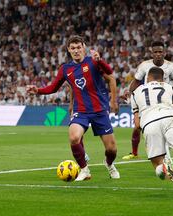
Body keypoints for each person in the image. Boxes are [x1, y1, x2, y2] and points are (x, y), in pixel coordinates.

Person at [26, 35, 120, 181]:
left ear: (84, 47)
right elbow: (53, 87)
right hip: (80, 111)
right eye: (73, 48)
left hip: (99, 110)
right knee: (74, 137)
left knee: (111, 149)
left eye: (78, 47)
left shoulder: (93, 61)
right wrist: (38, 90)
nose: (76, 50)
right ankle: (84, 170)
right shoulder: (66, 69)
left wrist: (100, 60)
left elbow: (110, 74)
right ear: (69, 50)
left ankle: (109, 164)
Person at [123, 41, 173, 168]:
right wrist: (129, 93)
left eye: (160, 52)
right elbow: (136, 81)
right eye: (155, 52)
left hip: (167, 99)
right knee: (137, 127)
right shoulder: (145, 66)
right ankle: (134, 153)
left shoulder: (171, 67)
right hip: (148, 100)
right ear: (152, 53)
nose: (158, 54)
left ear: (164, 53)